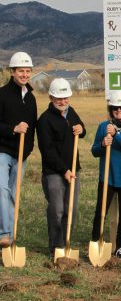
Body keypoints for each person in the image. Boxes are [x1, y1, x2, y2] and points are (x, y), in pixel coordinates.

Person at [37, 78, 86, 255]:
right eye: (59, 98)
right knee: (57, 210)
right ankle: (55, 246)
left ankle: (66, 243)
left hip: (74, 169)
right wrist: (64, 170)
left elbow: (82, 130)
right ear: (51, 97)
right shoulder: (44, 120)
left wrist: (81, 129)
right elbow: (47, 151)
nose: (62, 101)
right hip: (54, 172)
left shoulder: (70, 112)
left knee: (71, 209)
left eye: (65, 98)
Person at [91, 91, 121, 260]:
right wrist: (103, 143)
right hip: (107, 177)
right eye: (116, 108)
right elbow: (94, 151)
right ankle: (96, 241)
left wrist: (116, 135)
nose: (119, 111)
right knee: (100, 212)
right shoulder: (103, 126)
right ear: (111, 109)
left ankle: (120, 247)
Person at [0, 52, 37, 248]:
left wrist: (28, 150)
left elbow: (32, 128)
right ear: (12, 71)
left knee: (14, 194)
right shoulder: (2, 94)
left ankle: (9, 240)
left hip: (22, 154)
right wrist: (12, 129)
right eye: (21, 70)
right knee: (1, 189)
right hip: (3, 151)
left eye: (27, 71)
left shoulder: (30, 98)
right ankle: (4, 233)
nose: (24, 74)